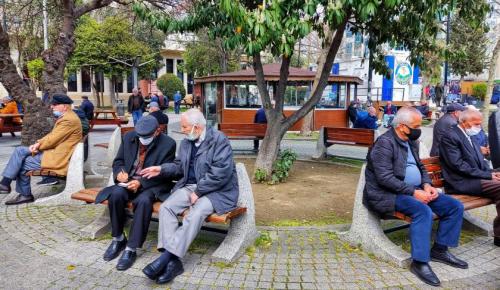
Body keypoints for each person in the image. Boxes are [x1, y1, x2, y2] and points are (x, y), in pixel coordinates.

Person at [363, 106, 467, 287]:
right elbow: (384, 178)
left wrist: (427, 185)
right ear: (402, 126)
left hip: (416, 189)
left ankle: (440, 250)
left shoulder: (411, 142)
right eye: (416, 126)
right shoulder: (384, 144)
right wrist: (413, 192)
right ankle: (419, 262)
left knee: (454, 206)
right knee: (423, 211)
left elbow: (421, 167)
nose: (419, 129)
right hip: (387, 194)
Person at [139, 109, 239, 284]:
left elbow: (220, 173)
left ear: (197, 127)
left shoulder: (218, 140)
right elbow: (179, 167)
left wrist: (198, 192)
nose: (182, 130)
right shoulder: (186, 142)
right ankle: (173, 262)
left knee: (196, 212)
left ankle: (165, 258)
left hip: (218, 191)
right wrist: (161, 169)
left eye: (184, 127)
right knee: (167, 207)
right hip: (191, 186)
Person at [95, 116, 176, 271]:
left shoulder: (168, 144)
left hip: (152, 185)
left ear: (157, 131)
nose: (142, 140)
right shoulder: (129, 137)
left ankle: (131, 249)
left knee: (144, 201)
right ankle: (118, 238)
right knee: (116, 194)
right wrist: (119, 173)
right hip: (128, 181)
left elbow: (166, 173)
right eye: (140, 137)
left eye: (146, 137)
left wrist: (141, 183)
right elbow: (118, 161)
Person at [0, 95, 82, 205]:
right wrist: (38, 144)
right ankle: (6, 184)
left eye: (55, 105)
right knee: (20, 151)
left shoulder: (68, 120)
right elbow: (52, 135)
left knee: (23, 163)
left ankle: (21, 193)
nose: (52, 107)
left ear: (65, 106)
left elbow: (52, 140)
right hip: (58, 152)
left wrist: (38, 146)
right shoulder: (68, 117)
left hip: (59, 157)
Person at [439, 109, 500, 247]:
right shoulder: (450, 136)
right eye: (476, 124)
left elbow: (479, 163)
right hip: (460, 182)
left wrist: (493, 172)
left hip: (474, 178)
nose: (479, 127)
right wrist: (488, 175)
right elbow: (458, 165)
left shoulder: (468, 135)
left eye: (480, 124)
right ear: (464, 122)